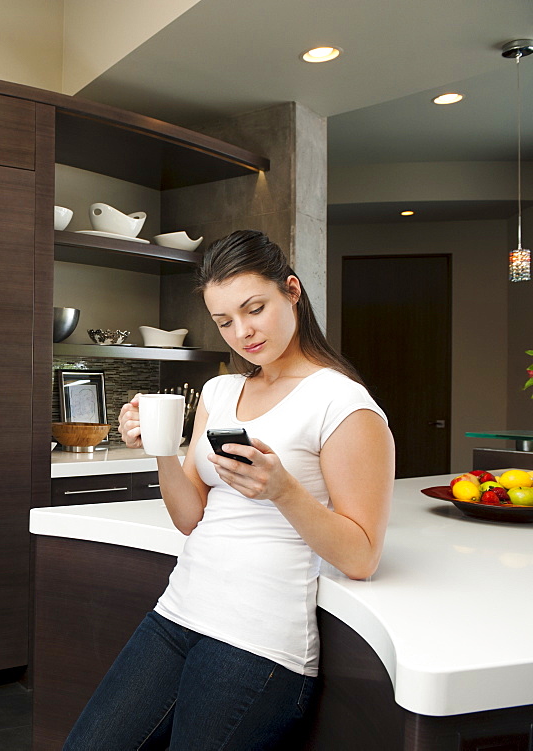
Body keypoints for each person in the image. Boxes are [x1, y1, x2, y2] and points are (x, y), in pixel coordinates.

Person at [63, 229, 395, 751]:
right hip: (178, 614)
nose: (242, 332)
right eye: (224, 321)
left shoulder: (342, 403)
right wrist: (160, 448)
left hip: (258, 642)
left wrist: (283, 490)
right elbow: (191, 517)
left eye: (254, 308)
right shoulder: (221, 390)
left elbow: (362, 555)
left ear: (292, 290)